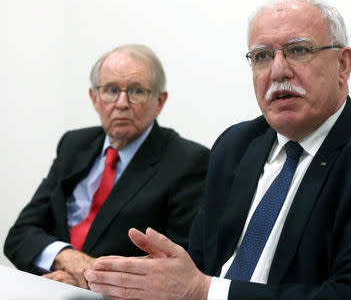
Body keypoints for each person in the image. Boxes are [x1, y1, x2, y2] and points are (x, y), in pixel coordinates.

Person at [84, 0, 351, 300]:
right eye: (262, 56)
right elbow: (200, 265)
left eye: (299, 50)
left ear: (342, 65)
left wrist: (205, 291)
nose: (278, 71)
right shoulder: (236, 145)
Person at [4, 44, 209, 289]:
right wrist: (67, 259)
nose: (122, 103)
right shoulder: (73, 145)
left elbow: (178, 268)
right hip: (51, 285)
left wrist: (89, 280)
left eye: (136, 91)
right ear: (95, 97)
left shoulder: (188, 161)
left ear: (159, 101)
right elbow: (20, 235)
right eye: (111, 90)